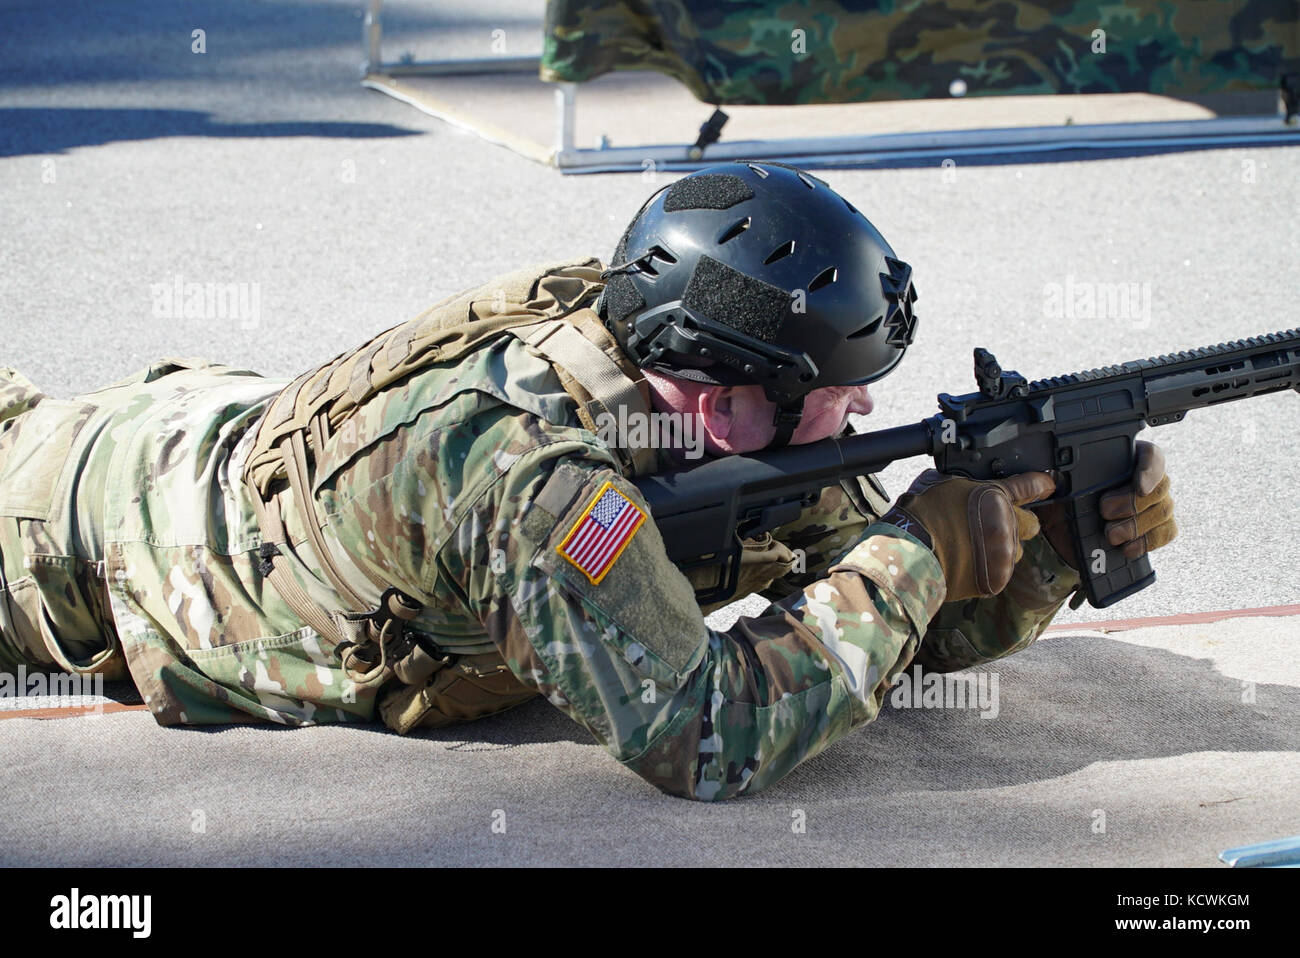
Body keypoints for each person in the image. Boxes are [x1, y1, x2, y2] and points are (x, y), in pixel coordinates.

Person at [0, 162, 1176, 800]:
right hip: (94, 535)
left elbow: (880, 639)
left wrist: (1048, 538)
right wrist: (914, 553)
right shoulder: (523, 479)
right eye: (839, 387)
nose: (861, 410)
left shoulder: (710, 399)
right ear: (726, 399)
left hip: (220, 427)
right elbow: (709, 736)